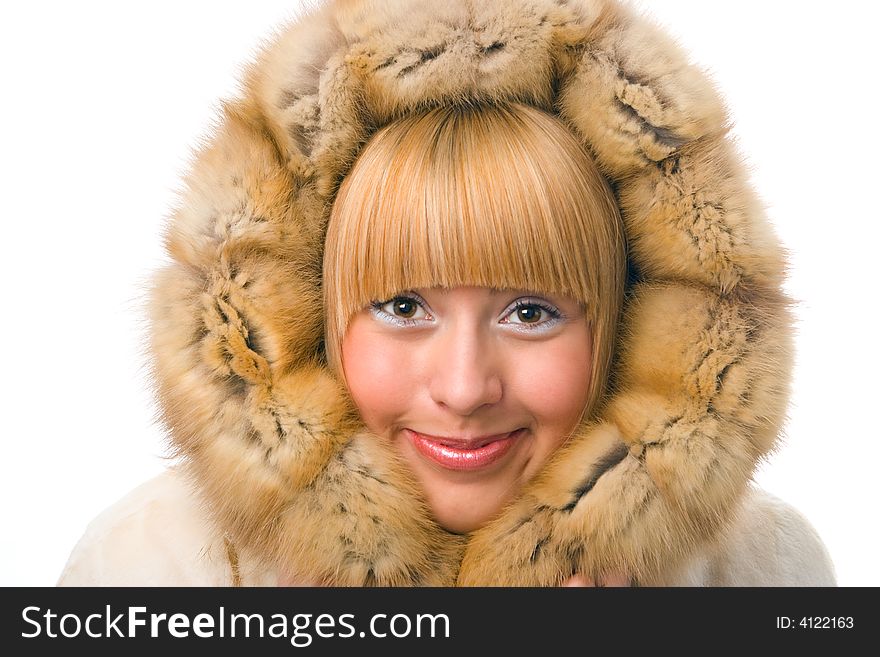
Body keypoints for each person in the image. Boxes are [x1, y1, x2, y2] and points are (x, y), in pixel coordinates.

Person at [58, 0, 835, 587]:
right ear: (311, 325)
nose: (465, 388)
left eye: (531, 312)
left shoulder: (765, 568)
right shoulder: (151, 563)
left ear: (634, 329)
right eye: (403, 307)